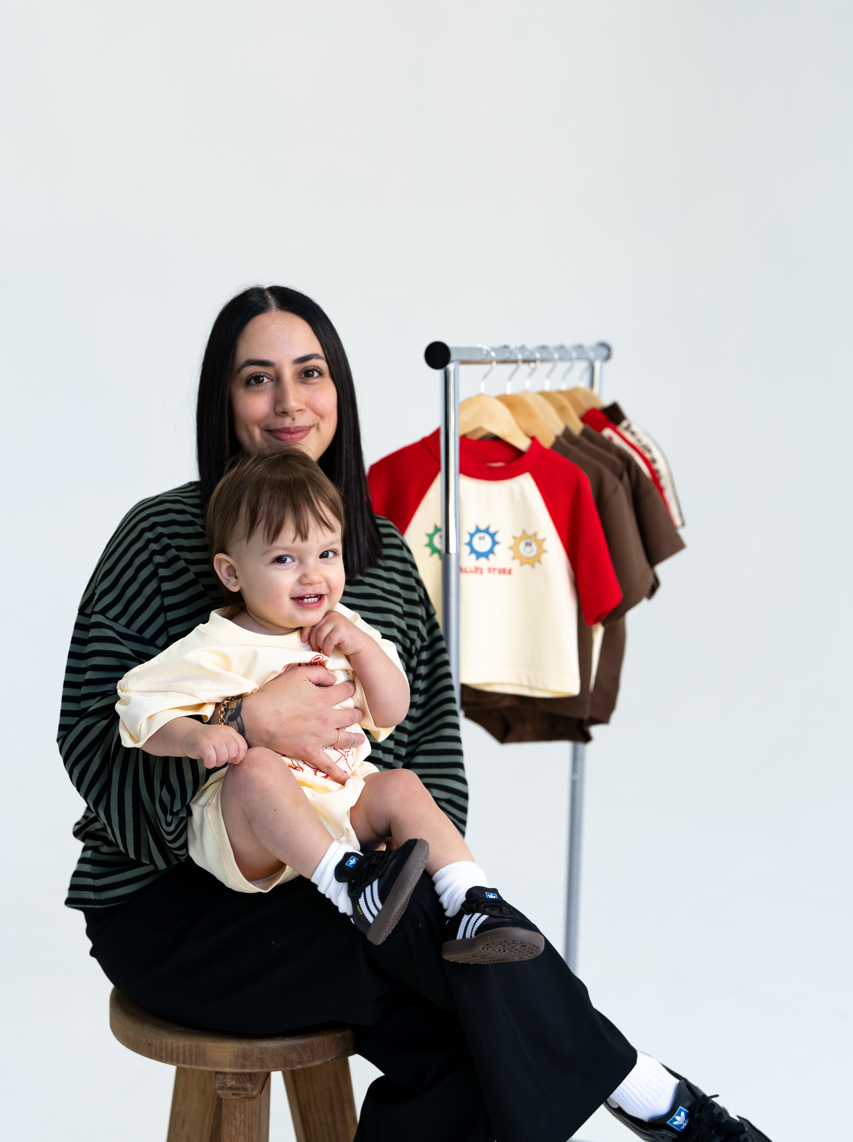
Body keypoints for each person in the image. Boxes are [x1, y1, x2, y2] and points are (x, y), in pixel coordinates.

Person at [58, 285, 772, 1142]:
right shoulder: (157, 537)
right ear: (224, 399)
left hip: (342, 890)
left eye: (310, 373)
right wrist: (248, 726)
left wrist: (407, 876)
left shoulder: (383, 557)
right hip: (173, 905)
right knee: (481, 1016)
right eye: (257, 379)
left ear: (339, 392)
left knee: (471, 993)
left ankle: (635, 1083)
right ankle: (644, 1087)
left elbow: (428, 750)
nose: (289, 402)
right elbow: (91, 746)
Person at [118, 448, 544, 962]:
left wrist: (362, 649)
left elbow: (391, 711)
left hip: (340, 809)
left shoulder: (347, 631)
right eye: (284, 559)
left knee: (403, 785)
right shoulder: (215, 645)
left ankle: (471, 899)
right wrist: (195, 735)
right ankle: (350, 888)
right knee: (255, 768)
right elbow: (139, 706)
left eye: (327, 554)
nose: (312, 576)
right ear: (232, 573)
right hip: (250, 830)